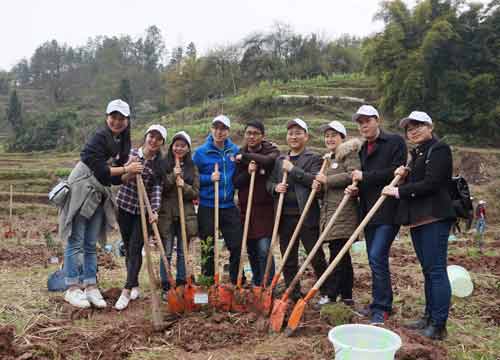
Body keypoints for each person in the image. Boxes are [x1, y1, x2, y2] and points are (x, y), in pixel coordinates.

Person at [59, 99, 143, 308]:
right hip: (82, 190)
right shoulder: (99, 138)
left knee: (90, 242)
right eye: (113, 117)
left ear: (127, 120)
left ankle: (91, 285)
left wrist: (128, 176)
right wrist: (126, 170)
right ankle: (72, 287)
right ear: (107, 118)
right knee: (75, 239)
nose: (116, 121)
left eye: (121, 118)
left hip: (99, 193)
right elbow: (102, 171)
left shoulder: (123, 142)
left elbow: (112, 179)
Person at [382, 111, 455, 340]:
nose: (412, 131)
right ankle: (428, 317)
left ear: (430, 126)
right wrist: (404, 176)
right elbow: (418, 181)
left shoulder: (439, 149)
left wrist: (398, 191)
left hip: (434, 217)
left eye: (418, 126)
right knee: (427, 270)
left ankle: (439, 324)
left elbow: (433, 183)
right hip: (418, 220)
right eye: (409, 128)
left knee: (436, 271)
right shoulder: (416, 153)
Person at [346, 105, 407, 324]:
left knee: (376, 256)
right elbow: (365, 181)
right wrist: (356, 189)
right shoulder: (363, 149)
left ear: (377, 120)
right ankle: (377, 303)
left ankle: (382, 307)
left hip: (388, 211)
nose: (363, 125)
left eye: (367, 121)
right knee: (374, 259)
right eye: (360, 122)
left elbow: (396, 172)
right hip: (368, 213)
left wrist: (365, 176)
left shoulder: (395, 142)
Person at [266, 118, 334, 302]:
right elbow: (269, 182)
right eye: (290, 133)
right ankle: (293, 293)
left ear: (306, 136)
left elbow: (314, 182)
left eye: (298, 133)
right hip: (284, 217)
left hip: (306, 215)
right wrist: (274, 188)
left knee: (316, 255)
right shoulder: (280, 160)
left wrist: (293, 169)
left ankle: (327, 292)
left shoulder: (314, 159)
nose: (294, 137)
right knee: (288, 258)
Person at [114, 124, 167, 310]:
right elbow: (118, 176)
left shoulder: (158, 165)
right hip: (124, 207)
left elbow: (157, 191)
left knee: (136, 247)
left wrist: (154, 210)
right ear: (146, 137)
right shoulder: (130, 155)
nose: (153, 141)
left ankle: (126, 290)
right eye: (151, 136)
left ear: (161, 143)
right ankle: (134, 282)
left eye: (158, 139)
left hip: (142, 212)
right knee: (128, 248)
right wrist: (129, 170)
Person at [312, 121, 362, 306]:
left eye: (334, 135)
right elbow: (325, 187)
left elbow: (353, 175)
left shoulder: (348, 154)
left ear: (342, 137)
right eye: (327, 136)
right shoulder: (329, 159)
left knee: (337, 254)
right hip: (330, 212)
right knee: (341, 255)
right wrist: (318, 187)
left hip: (343, 212)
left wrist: (328, 180)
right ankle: (347, 295)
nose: (330, 139)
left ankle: (332, 295)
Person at [193, 115, 244, 285]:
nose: (219, 132)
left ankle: (237, 281)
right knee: (208, 247)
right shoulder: (201, 153)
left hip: (228, 205)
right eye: (216, 128)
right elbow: (192, 178)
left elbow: (248, 160)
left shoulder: (234, 151)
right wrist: (208, 178)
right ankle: (208, 283)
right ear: (211, 129)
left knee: (236, 244)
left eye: (223, 129)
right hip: (208, 205)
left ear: (228, 131)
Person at [233, 120, 280, 286]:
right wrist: (248, 171)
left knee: (264, 249)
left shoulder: (271, 150)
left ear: (262, 136)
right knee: (252, 250)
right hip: (246, 209)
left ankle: (268, 285)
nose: (251, 136)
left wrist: (245, 158)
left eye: (255, 133)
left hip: (265, 209)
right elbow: (236, 182)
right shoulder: (239, 153)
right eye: (248, 133)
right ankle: (257, 282)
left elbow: (267, 161)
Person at [158, 131, 199, 295]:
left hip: (185, 216)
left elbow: (196, 192)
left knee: (183, 251)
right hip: (167, 216)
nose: (179, 148)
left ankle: (182, 282)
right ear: (171, 147)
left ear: (188, 149)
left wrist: (184, 186)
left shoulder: (192, 167)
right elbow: (159, 188)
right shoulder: (163, 164)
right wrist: (171, 177)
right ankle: (166, 284)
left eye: (183, 146)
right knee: (166, 252)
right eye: (176, 145)